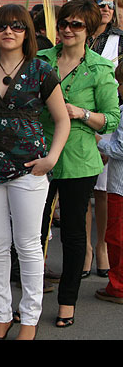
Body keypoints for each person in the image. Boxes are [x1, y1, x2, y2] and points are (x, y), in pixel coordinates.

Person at [0, 4, 70, 340]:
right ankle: (2, 315)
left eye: (17, 26)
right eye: (2, 26)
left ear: (27, 32)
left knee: (28, 245)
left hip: (29, 168)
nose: (9, 31)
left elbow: (62, 118)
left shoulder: (41, 70)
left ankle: (30, 320)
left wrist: (51, 159)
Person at [37, 0, 120, 328]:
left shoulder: (100, 68)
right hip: (38, 156)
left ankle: (67, 301)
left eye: (76, 24)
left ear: (89, 29)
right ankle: (28, 297)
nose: (67, 30)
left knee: (72, 233)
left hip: (78, 161)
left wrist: (80, 113)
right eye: (63, 23)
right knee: (32, 232)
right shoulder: (40, 60)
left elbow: (111, 119)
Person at [82, 0, 123, 279]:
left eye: (111, 4)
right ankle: (84, 248)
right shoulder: (77, 35)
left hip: (110, 119)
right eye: (100, 2)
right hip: (79, 118)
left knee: (106, 190)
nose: (106, 8)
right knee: (82, 186)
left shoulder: (120, 41)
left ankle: (102, 246)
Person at [94, 60, 123, 304]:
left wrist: (98, 140)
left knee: (116, 238)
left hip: (120, 187)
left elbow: (120, 148)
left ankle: (118, 286)